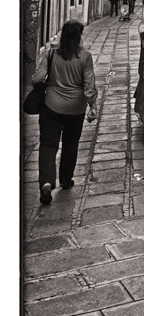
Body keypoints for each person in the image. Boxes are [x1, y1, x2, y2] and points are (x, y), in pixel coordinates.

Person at [31, 20, 98, 205]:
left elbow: (37, 78)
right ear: (79, 36)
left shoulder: (51, 54)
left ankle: (46, 183)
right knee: (70, 144)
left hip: (51, 106)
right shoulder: (85, 57)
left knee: (48, 145)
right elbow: (89, 85)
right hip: (75, 109)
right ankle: (66, 180)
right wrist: (93, 106)